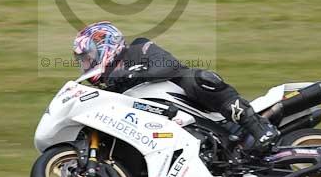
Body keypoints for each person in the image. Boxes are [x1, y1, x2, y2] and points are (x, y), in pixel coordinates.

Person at [73, 21, 279, 155]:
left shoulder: (139, 48)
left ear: (105, 46)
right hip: (161, 128)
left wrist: (132, 73)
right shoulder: (110, 86)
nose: (86, 63)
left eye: (87, 57)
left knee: (196, 77)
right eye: (83, 60)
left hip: (199, 108)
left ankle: (258, 127)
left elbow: (168, 65)